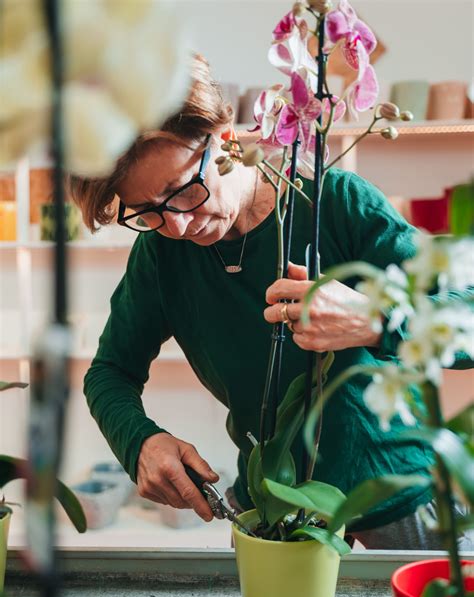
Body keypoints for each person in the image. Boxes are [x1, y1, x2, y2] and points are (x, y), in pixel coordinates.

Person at [69, 55, 473, 550]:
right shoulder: (160, 255)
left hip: (402, 503)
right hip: (272, 509)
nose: (176, 226)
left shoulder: (336, 204)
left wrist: (377, 319)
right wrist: (140, 443)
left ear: (227, 138)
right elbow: (109, 370)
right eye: (147, 212)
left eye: (183, 191)